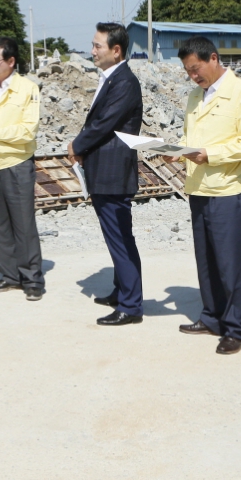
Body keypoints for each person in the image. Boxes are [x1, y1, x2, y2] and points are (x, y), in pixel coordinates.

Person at [170, 37, 241, 354]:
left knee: (229, 263)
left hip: (226, 189)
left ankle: (236, 328)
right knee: (206, 260)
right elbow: (190, 136)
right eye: (187, 71)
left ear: (213, 58)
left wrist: (210, 155)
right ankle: (211, 316)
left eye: (195, 69)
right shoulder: (196, 95)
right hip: (197, 189)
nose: (192, 76)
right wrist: (176, 151)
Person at [70, 22, 144, 326]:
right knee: (116, 236)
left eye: (97, 46)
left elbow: (103, 125)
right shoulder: (110, 79)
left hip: (114, 173)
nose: (92, 51)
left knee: (120, 239)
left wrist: (76, 144)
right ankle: (121, 291)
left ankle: (131, 305)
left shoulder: (125, 81)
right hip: (103, 170)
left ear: (116, 50)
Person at [0, 37, 45, 301]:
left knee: (23, 224)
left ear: (10, 61)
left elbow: (28, 130)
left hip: (16, 164)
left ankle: (33, 279)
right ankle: (8, 275)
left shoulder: (28, 89)